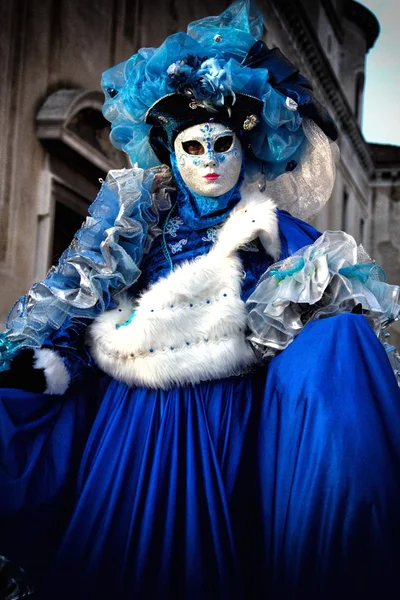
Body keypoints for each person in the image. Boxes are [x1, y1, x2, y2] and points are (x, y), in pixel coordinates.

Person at [1, 1, 400, 598]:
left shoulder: (275, 232)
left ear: (247, 148)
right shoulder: (137, 223)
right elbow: (81, 299)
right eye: (193, 147)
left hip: (228, 418)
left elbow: (330, 325)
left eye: (221, 143)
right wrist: (45, 364)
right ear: (171, 153)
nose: (210, 159)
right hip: (132, 420)